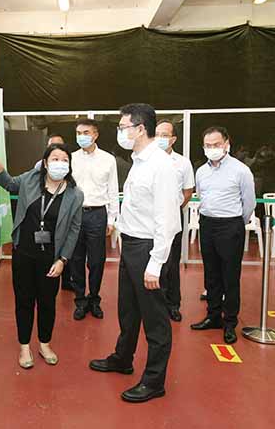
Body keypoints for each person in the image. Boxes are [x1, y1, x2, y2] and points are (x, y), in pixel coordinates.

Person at [89, 103, 180, 403]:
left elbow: (168, 219)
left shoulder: (160, 165)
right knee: (128, 310)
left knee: (155, 319)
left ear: (140, 129)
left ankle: (154, 381)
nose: (120, 132)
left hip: (147, 248)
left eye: (123, 127)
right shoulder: (139, 161)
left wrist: (156, 263)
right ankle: (123, 358)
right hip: (131, 245)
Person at [0, 144, 83, 369]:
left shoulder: (75, 194)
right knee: (24, 301)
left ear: (69, 165)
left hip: (52, 258)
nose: (59, 163)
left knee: (47, 303)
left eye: (64, 160)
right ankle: (24, 346)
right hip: (24, 253)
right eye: (54, 159)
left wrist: (63, 260)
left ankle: (45, 344)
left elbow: (74, 229)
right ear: (45, 163)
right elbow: (9, 183)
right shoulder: (30, 179)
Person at [190, 127, 255, 345]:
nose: (212, 149)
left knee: (230, 276)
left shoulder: (241, 170)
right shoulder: (201, 171)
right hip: (207, 223)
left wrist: (236, 223)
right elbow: (202, 196)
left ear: (227, 144)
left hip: (231, 225)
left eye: (216, 144)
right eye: (208, 145)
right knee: (211, 274)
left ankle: (230, 322)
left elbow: (249, 203)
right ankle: (213, 316)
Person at [69, 119, 119, 320]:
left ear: (95, 135)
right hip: (75, 214)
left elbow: (113, 190)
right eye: (78, 133)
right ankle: (80, 300)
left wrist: (112, 219)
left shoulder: (108, 159)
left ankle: (94, 298)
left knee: (97, 260)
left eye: (86, 132)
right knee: (76, 259)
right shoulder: (70, 158)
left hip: (98, 214)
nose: (81, 136)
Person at [154, 121, 194, 322]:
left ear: (173, 139)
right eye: (157, 134)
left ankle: (172, 304)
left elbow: (187, 192)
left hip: (173, 215)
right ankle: (155, 305)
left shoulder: (183, 163)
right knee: (154, 260)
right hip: (151, 217)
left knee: (171, 261)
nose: (160, 138)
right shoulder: (148, 159)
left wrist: (173, 208)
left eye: (164, 135)